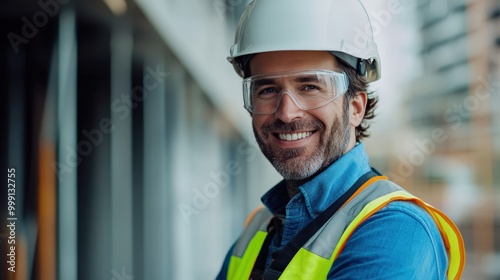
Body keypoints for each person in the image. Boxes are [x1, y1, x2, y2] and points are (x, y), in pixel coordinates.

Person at [216, 0, 466, 279]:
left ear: (356, 107)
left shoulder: (396, 230)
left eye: (310, 86)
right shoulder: (258, 230)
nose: (286, 113)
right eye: (267, 90)